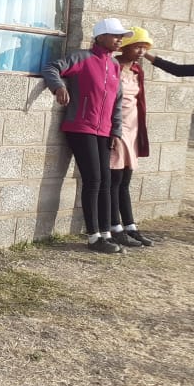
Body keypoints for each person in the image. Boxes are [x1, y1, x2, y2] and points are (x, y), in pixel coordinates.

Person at [42, 18, 130, 254]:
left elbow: (117, 102)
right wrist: (58, 86)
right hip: (80, 127)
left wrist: (116, 130)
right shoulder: (81, 58)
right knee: (93, 180)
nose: (119, 40)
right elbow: (51, 67)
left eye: (121, 36)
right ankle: (93, 237)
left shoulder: (114, 65)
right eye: (115, 35)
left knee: (105, 181)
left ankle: (106, 234)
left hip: (104, 131)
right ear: (100, 36)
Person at [107, 28, 155, 248]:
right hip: (117, 128)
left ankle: (130, 226)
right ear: (125, 47)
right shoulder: (112, 66)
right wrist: (111, 130)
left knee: (125, 180)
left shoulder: (137, 70)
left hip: (133, 129)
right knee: (114, 180)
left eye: (144, 48)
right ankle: (114, 226)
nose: (141, 52)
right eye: (137, 47)